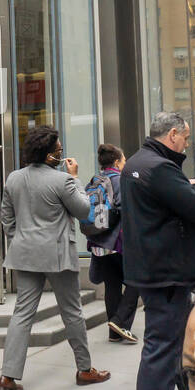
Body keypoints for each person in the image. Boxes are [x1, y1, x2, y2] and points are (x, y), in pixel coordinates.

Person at [121, 111, 195, 390]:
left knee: (173, 349)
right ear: (173, 134)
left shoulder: (137, 163)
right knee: (162, 351)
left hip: (155, 270)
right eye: (186, 138)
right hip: (167, 272)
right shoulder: (160, 168)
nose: (187, 144)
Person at [0, 125, 110, 390]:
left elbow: (6, 219)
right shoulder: (63, 180)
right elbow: (84, 210)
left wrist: (21, 239)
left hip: (24, 253)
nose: (61, 153)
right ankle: (84, 369)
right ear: (50, 155)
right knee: (71, 311)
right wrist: (75, 177)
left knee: (22, 314)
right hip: (58, 254)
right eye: (59, 149)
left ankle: (8, 376)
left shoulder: (13, 178)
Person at [87, 144, 139, 343]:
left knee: (112, 285)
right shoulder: (120, 180)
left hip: (98, 242)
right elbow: (129, 211)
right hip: (118, 242)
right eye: (124, 159)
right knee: (137, 281)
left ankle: (113, 332)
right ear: (117, 162)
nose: (125, 162)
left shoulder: (94, 180)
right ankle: (121, 322)